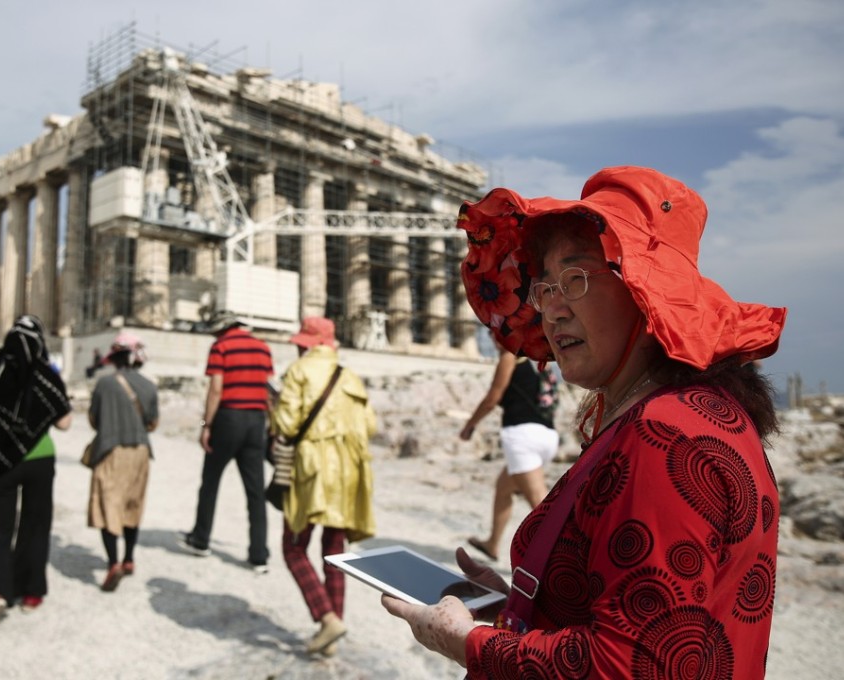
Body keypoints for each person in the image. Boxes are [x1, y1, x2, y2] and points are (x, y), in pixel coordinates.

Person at [382, 166, 786, 678]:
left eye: (574, 279)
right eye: (543, 288)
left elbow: (635, 666)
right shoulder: (687, 412)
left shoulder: (663, 437)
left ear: (646, 293)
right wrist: (526, 605)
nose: (551, 311)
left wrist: (469, 643)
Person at [271, 317, 377, 656]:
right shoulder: (350, 376)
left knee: (293, 547)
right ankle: (333, 630)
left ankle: (327, 618)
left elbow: (286, 424)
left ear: (309, 343)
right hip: (348, 474)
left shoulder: (299, 371)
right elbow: (370, 426)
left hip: (311, 470)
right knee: (334, 553)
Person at [0, 315, 73, 632]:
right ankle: (31, 592)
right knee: (36, 524)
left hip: (3, 462)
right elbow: (65, 422)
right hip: (40, 460)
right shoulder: (46, 375)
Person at [181, 311, 274, 573]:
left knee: (210, 483)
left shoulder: (221, 346)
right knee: (255, 491)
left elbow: (216, 390)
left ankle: (201, 540)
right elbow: (268, 390)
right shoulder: (263, 348)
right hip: (256, 421)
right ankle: (259, 555)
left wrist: (205, 426)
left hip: (228, 419)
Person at [460, 349, 559, 562]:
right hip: (547, 434)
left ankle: (567, 555)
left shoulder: (510, 356)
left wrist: (470, 425)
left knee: (539, 503)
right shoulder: (540, 359)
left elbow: (492, 398)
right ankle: (492, 544)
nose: (493, 336)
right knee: (504, 488)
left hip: (522, 436)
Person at [86, 333, 159, 592]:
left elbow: (93, 419)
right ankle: (129, 559)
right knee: (132, 504)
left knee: (108, 507)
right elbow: (152, 423)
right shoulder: (150, 386)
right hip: (141, 452)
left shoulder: (104, 384)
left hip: (111, 450)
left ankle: (113, 563)